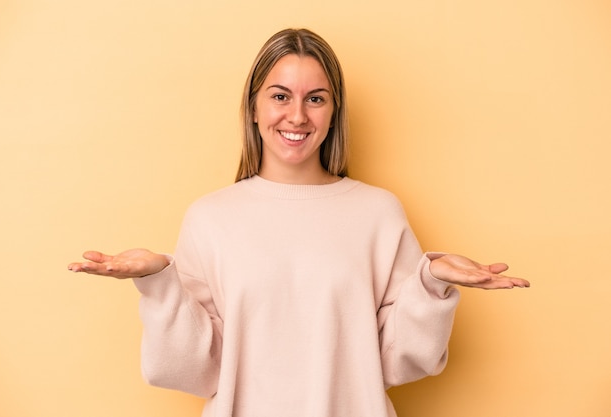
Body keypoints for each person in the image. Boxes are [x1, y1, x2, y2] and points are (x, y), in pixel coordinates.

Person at [68, 28, 529, 417]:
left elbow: (397, 363)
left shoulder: (377, 212)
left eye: (316, 99)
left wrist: (431, 286)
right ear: (254, 107)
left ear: (333, 112)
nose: (297, 115)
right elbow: (197, 372)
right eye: (280, 96)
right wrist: (160, 283)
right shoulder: (211, 217)